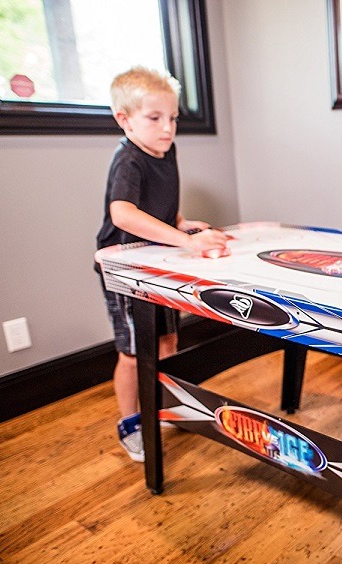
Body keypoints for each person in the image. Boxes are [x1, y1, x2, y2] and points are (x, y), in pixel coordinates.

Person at [95, 66, 228, 462]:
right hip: (123, 270)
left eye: (172, 118)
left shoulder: (165, 150)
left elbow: (163, 200)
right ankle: (131, 422)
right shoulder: (128, 159)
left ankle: (165, 404)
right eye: (155, 118)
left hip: (155, 263)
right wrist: (187, 243)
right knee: (135, 352)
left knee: (169, 341)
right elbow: (123, 214)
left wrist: (180, 223)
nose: (167, 128)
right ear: (125, 119)